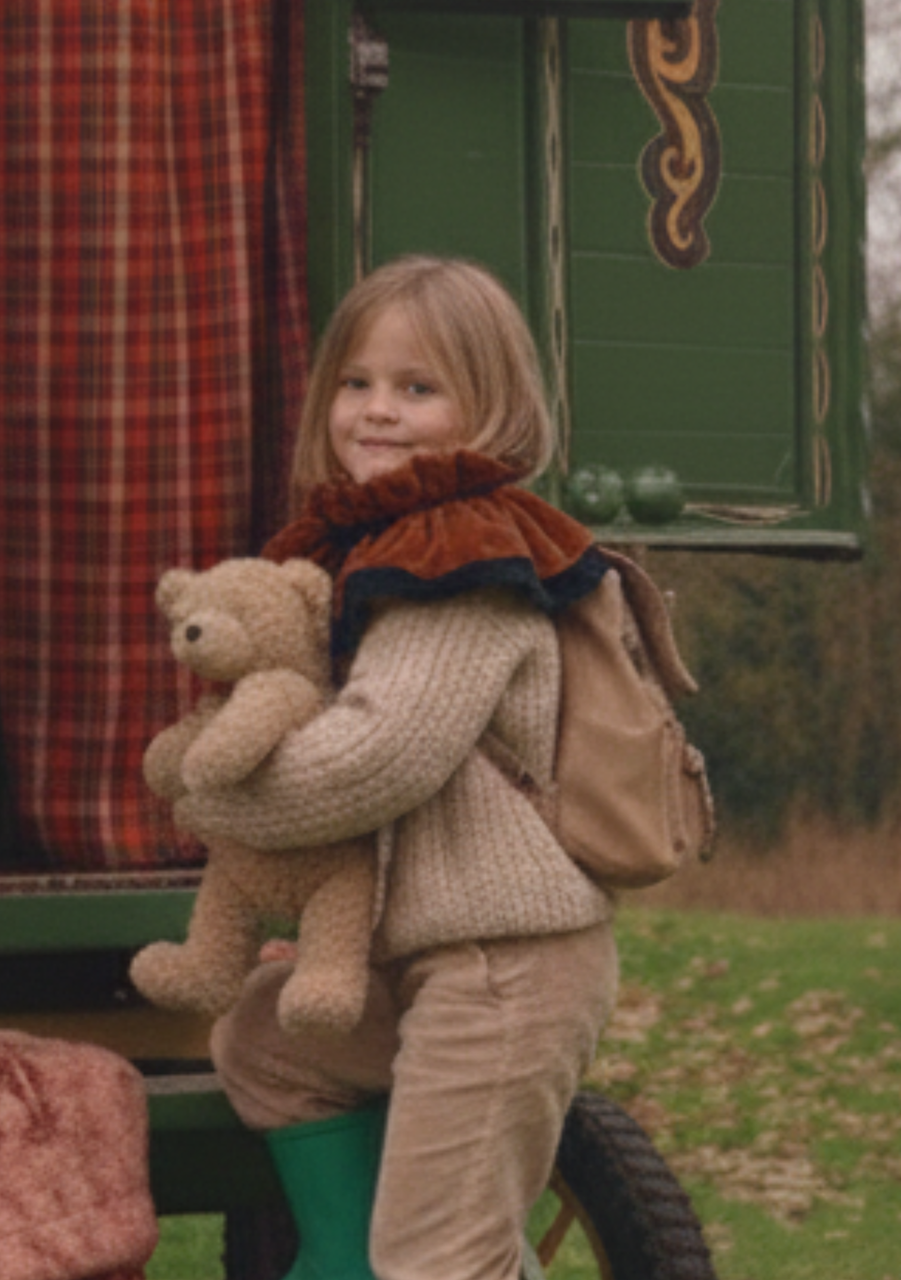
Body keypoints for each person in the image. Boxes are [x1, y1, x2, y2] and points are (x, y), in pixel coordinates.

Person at [174, 255, 620, 1280]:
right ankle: (338, 1258)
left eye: (418, 389)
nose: (377, 411)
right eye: (356, 382)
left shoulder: (460, 561)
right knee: (267, 1043)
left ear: (488, 407)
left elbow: (373, 759)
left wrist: (207, 782)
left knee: (441, 1259)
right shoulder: (372, 544)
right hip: (423, 955)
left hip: (502, 960)